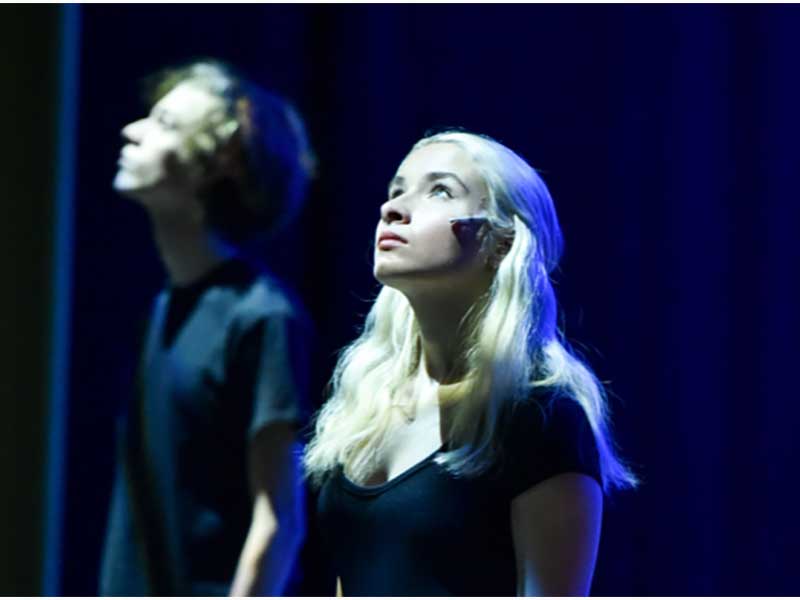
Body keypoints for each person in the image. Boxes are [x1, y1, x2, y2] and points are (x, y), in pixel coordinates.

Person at [303, 130, 637, 596]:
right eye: (396, 190)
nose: (392, 209)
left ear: (502, 242)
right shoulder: (367, 405)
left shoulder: (540, 418)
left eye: (440, 191)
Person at [100, 60, 316, 596]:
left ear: (220, 162)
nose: (132, 130)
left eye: (165, 124)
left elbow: (279, 519)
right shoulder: (163, 307)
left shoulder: (261, 317)